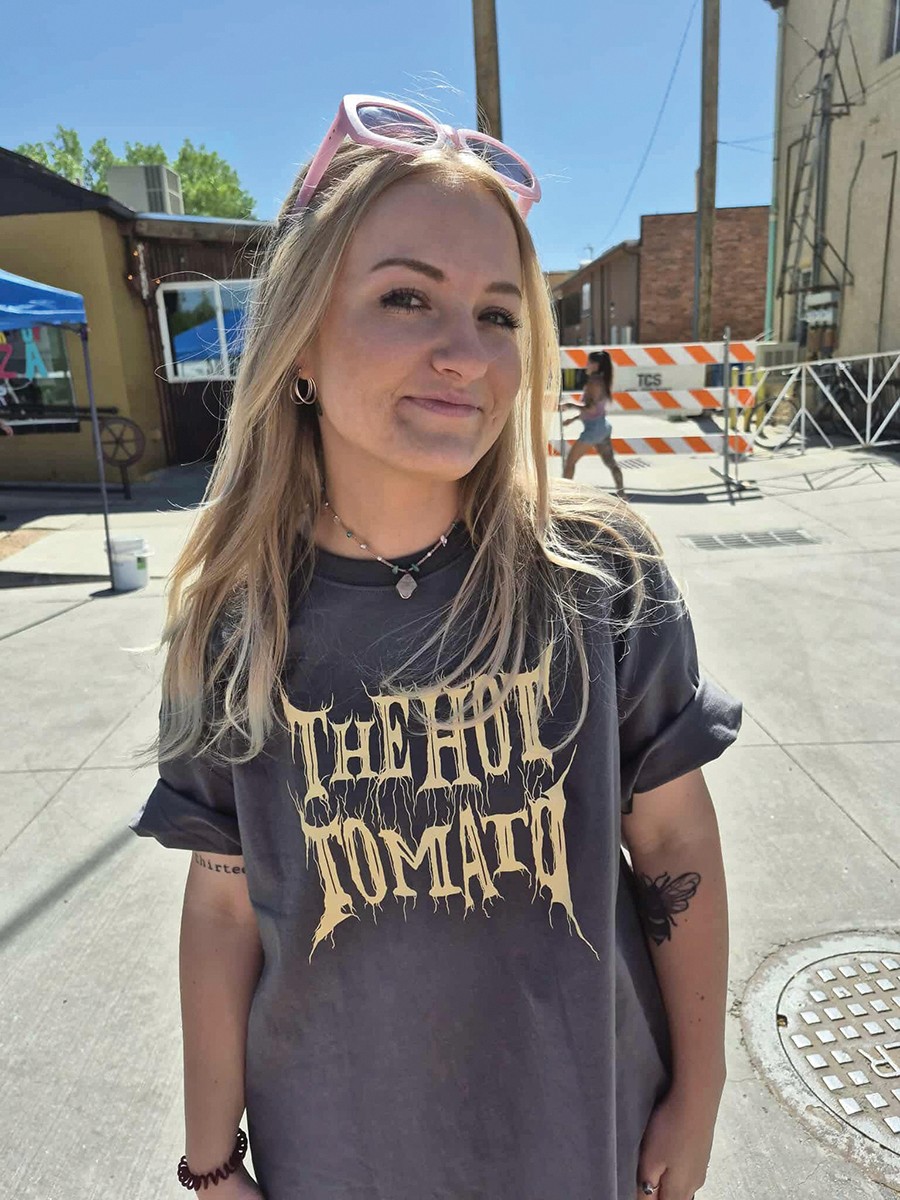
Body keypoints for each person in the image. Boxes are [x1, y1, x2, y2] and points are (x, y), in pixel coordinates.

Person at [130, 94, 741, 1200]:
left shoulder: (599, 579)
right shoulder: (238, 624)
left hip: (584, 1137)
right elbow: (223, 908)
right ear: (300, 340)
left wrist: (699, 1097)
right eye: (406, 297)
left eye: (499, 314)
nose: (465, 354)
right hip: (337, 1156)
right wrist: (211, 1163)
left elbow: (673, 847)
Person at [562, 348, 626, 496]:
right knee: (611, 463)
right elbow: (595, 410)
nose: (586, 365)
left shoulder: (593, 383)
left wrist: (569, 404)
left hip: (593, 430)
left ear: (596, 365)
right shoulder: (603, 381)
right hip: (602, 427)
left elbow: (590, 408)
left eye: (589, 362)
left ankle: (564, 495)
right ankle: (622, 494)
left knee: (570, 462)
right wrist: (573, 419)